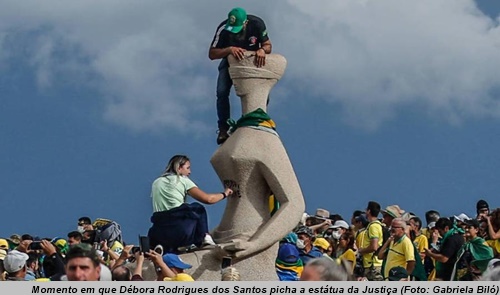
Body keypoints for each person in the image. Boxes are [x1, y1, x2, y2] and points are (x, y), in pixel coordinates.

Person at [209, 7, 272, 144]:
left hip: (252, 61)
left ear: (245, 23)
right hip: (230, 62)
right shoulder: (223, 28)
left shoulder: (257, 24)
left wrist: (262, 50)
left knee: (260, 93)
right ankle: (224, 128)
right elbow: (212, 53)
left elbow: (268, 45)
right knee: (221, 92)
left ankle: (255, 122)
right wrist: (229, 49)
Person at [148, 155, 233, 253]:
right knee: (197, 208)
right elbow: (208, 199)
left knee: (170, 251)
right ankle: (204, 238)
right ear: (179, 168)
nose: (190, 172)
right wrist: (225, 193)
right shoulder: (182, 180)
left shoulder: (156, 182)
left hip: (159, 230)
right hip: (179, 227)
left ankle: (164, 247)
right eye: (187, 168)